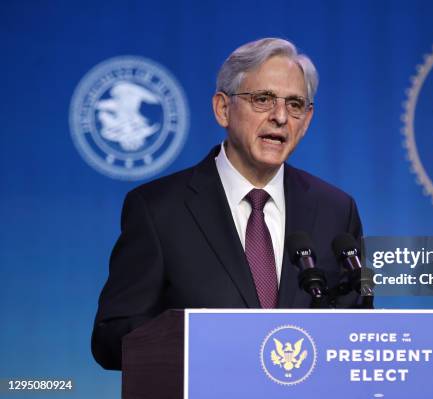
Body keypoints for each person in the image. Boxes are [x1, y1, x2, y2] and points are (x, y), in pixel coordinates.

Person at [91, 38, 363, 370]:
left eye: (294, 105)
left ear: (306, 121)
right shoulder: (158, 210)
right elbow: (110, 339)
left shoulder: (336, 210)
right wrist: (197, 340)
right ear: (223, 109)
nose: (280, 117)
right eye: (263, 99)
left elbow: (359, 333)